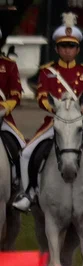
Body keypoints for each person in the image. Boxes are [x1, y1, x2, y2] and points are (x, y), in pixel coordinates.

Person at [12, 12, 83, 213]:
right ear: (57, 48)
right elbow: (41, 96)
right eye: (63, 46)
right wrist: (55, 107)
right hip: (55, 122)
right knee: (27, 152)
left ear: (77, 49)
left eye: (71, 46)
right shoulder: (47, 71)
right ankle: (28, 192)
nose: (67, 50)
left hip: (80, 123)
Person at [0, 28, 25, 195]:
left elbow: (16, 93)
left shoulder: (8, 65)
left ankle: (18, 181)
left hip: (2, 117)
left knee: (21, 146)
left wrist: (4, 108)